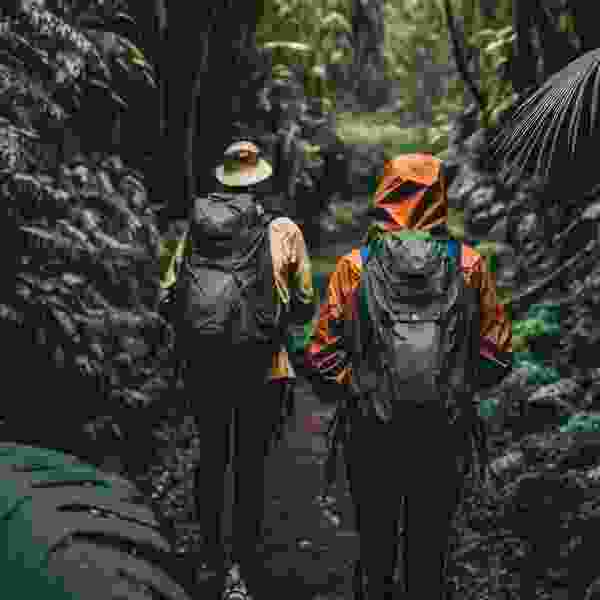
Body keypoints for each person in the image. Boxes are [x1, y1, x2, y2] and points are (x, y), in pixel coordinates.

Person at [305, 153, 512, 599]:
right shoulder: (470, 265)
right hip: (444, 430)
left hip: (371, 431)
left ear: (386, 194)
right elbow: (497, 357)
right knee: (430, 552)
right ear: (440, 197)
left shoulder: (355, 267)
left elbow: (321, 356)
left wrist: (361, 383)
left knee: (375, 547)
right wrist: (455, 380)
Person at [162, 141, 316, 600]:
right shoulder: (284, 229)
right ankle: (241, 572)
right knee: (250, 466)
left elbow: (169, 291)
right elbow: (305, 304)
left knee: (211, 460)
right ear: (262, 180)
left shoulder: (198, 226)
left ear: (223, 179)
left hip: (206, 365)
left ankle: (210, 556)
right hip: (263, 368)